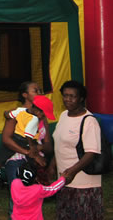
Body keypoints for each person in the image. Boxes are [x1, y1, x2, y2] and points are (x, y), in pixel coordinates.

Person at [50, 80, 104, 220]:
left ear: (81, 98)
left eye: (72, 96)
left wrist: (72, 172)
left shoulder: (89, 121)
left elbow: (91, 153)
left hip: (83, 182)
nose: (68, 99)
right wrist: (52, 166)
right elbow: (60, 144)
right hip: (64, 180)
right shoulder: (63, 116)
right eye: (65, 95)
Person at [0, 83, 51, 183]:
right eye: (36, 91)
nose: (40, 93)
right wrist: (30, 153)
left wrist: (39, 148)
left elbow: (48, 146)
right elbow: (6, 140)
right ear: (25, 95)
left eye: (41, 91)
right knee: (20, 195)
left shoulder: (43, 117)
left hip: (37, 162)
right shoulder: (17, 113)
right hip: (17, 160)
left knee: (36, 195)